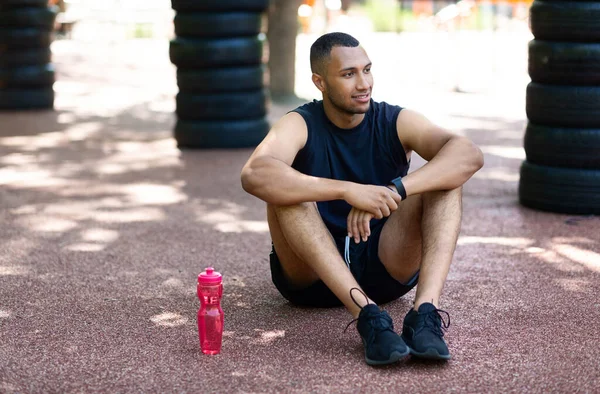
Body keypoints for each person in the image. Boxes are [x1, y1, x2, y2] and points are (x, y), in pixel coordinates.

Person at [240, 32, 484, 365]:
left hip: (385, 266)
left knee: (445, 180)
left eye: (367, 70)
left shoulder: (394, 120)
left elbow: (468, 154)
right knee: (284, 191)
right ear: (320, 82)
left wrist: (395, 190)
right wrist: (346, 189)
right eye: (348, 74)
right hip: (311, 279)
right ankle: (369, 318)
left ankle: (424, 315)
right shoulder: (300, 123)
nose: (363, 83)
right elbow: (255, 174)